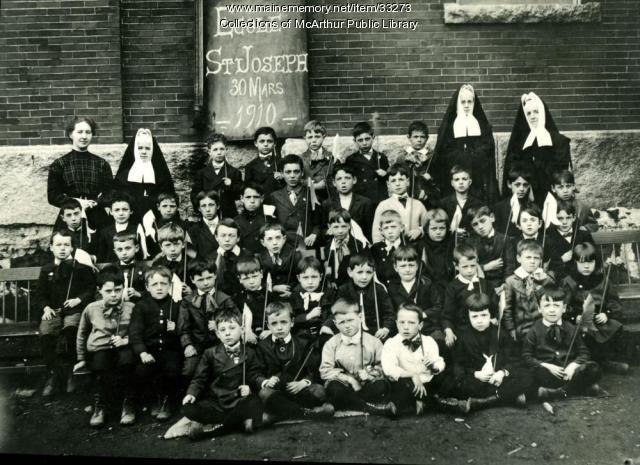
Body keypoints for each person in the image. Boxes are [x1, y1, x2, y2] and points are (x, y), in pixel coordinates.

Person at [182, 308, 266, 440]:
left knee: (254, 402)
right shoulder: (210, 353)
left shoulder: (249, 352)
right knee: (188, 409)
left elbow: (255, 375)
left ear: (242, 330)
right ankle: (236, 423)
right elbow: (200, 378)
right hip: (217, 401)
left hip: (238, 400)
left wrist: (249, 389)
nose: (227, 333)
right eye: (222, 330)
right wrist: (191, 393)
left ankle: (212, 429)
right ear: (217, 334)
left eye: (232, 328)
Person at [75, 266, 136, 427]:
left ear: (123, 288)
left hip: (123, 347)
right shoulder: (91, 309)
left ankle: (127, 404)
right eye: (109, 291)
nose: (114, 295)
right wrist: (81, 358)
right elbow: (82, 334)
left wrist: (126, 340)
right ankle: (99, 406)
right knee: (101, 365)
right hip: (100, 349)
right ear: (99, 290)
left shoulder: (131, 308)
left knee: (128, 361)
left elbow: (138, 332)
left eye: (118, 290)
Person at [38, 229, 97, 397]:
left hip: (75, 309)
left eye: (66, 245)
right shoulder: (47, 269)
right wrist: (46, 308)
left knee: (71, 329)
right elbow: (40, 294)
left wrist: (78, 299)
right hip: (54, 311)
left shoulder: (81, 268)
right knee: (47, 332)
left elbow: (90, 289)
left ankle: (71, 372)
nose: (62, 248)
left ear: (72, 248)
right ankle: (53, 374)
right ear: (51, 247)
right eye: (58, 245)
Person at [450, 293, 533, 411]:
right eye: (474, 316)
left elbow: (513, 360)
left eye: (484, 315)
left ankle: (485, 402)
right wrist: (476, 374)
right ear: (468, 316)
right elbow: (458, 365)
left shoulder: (501, 334)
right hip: (478, 380)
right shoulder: (463, 338)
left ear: (491, 315)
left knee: (526, 376)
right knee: (455, 383)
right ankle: (509, 397)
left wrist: (502, 373)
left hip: (499, 379)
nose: (479, 320)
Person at [522, 285, 605, 400]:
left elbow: (584, 353)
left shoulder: (571, 328)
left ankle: (561, 392)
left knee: (593, 368)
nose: (552, 310)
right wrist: (547, 366)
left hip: (570, 374)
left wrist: (572, 366)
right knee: (531, 373)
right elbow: (527, 356)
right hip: (548, 374)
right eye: (547, 306)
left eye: (556, 305)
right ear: (539, 309)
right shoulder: (534, 330)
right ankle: (581, 388)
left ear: (564, 308)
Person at [256, 301, 334, 421]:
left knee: (320, 391)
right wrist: (266, 381)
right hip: (277, 393)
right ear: (268, 325)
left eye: (283, 322)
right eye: (274, 323)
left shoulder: (303, 342)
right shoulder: (262, 346)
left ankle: (279, 414)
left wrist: (304, 382)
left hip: (299, 390)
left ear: (292, 322)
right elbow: (257, 373)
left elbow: (312, 370)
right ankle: (306, 413)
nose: (279, 327)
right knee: (264, 393)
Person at [319, 298, 397, 418]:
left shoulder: (374, 342)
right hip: (345, 387)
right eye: (342, 322)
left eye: (350, 320)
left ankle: (352, 405)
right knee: (335, 389)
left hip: (367, 386)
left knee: (381, 386)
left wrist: (370, 373)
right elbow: (325, 371)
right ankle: (373, 409)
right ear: (335, 323)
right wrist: (350, 380)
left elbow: (384, 367)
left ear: (360, 317)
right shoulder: (331, 343)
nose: (347, 326)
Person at [381, 303, 461, 416]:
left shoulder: (428, 341)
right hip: (408, 383)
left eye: (411, 323)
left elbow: (439, 361)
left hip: (428, 382)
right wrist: (412, 375)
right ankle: (436, 403)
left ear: (420, 325)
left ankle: (422, 403)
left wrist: (433, 366)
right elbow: (389, 368)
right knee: (400, 387)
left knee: (448, 379)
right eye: (401, 322)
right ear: (396, 323)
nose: (406, 327)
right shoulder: (391, 343)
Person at [562, 242, 629, 374]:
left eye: (590, 262)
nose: (587, 266)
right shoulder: (570, 281)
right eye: (582, 262)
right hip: (579, 319)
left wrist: (606, 314)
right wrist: (574, 317)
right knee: (584, 332)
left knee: (613, 327)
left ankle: (605, 362)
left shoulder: (602, 279)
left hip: (598, 318)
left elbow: (613, 301)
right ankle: (587, 363)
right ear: (575, 262)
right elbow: (564, 307)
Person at [129, 265, 182, 422]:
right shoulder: (141, 307)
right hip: (149, 350)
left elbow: (183, 330)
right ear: (147, 287)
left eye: (163, 284)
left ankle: (166, 401)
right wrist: (143, 352)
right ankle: (154, 399)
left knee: (171, 368)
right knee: (142, 370)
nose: (159, 288)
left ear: (170, 286)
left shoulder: (177, 306)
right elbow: (135, 333)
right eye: (154, 284)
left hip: (170, 349)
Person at [432, 84, 498, 206]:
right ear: (458, 103)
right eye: (463, 102)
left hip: (477, 173)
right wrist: (462, 156)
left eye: (469, 101)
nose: (467, 105)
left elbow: (487, 147)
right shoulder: (450, 126)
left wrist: (473, 155)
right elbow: (444, 150)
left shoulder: (481, 124)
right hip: (455, 174)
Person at [503, 92, 572, 206]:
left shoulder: (558, 141)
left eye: (536, 112)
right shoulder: (522, 143)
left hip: (552, 194)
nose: (533, 116)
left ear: (543, 112)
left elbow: (561, 172)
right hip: (528, 195)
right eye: (528, 113)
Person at [48, 116, 113, 230]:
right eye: (79, 132)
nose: (84, 136)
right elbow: (53, 196)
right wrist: (75, 202)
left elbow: (110, 193)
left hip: (97, 215)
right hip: (70, 215)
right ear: (70, 135)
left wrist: (95, 203)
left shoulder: (101, 164)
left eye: (88, 132)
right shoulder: (60, 164)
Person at [178, 259, 240, 379]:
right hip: (197, 345)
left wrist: (219, 323)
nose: (206, 283)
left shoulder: (224, 299)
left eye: (209, 278)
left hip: (220, 344)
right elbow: (183, 328)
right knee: (189, 371)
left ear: (215, 276)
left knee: (223, 370)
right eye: (200, 280)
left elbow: (237, 319)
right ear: (192, 280)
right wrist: (188, 345)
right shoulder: (188, 301)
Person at [114, 127, 175, 223]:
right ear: (134, 149)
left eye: (147, 148)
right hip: (130, 220)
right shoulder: (124, 175)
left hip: (156, 219)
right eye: (140, 148)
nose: (143, 152)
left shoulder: (160, 174)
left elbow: (168, 197)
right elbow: (119, 198)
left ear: (152, 150)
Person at [503, 240, 554, 348]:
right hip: (521, 329)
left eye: (536, 258)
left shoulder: (547, 280)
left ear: (540, 260)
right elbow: (508, 308)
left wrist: (541, 283)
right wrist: (511, 329)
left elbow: (550, 304)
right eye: (528, 257)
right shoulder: (511, 281)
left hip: (542, 328)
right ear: (518, 258)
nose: (532, 261)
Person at [442, 243, 495, 348]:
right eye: (465, 266)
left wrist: (493, 318)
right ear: (456, 265)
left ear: (477, 263)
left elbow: (493, 307)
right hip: (463, 331)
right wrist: (448, 330)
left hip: (485, 327)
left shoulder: (485, 284)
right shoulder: (452, 287)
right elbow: (447, 314)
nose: (470, 270)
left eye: (473, 266)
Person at [387, 246, 444, 345]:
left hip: (426, 327)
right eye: (403, 266)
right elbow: (390, 311)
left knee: (439, 339)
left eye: (411, 265)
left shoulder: (426, 283)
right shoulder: (392, 287)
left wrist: (422, 314)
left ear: (417, 266)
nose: (408, 269)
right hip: (402, 329)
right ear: (396, 267)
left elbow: (438, 306)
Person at [266, 154, 320, 249]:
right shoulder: (274, 196)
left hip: (307, 244)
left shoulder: (310, 194)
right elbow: (270, 224)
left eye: (296, 172)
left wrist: (314, 234)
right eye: (288, 172)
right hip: (284, 246)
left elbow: (318, 222)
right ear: (282, 173)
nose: (292, 176)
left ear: (302, 173)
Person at [336, 253, 395, 341]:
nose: (364, 277)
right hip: (352, 332)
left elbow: (389, 313)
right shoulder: (344, 290)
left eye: (369, 272)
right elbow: (338, 313)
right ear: (350, 272)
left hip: (376, 332)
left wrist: (385, 328)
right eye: (360, 272)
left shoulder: (379, 289)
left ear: (373, 272)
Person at [191, 133, 242, 220]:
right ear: (209, 152)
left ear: (226, 150)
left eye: (222, 149)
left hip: (228, 214)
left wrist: (231, 185)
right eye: (215, 150)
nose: (219, 152)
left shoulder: (234, 172)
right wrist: (201, 209)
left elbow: (239, 195)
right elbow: (195, 195)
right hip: (208, 215)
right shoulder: (201, 173)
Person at [371, 163, 427, 244]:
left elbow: (428, 225)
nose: (397, 184)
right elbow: (376, 233)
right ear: (388, 185)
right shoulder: (383, 205)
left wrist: (420, 231)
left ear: (408, 182)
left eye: (401, 179)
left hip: (415, 248)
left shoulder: (418, 204)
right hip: (393, 250)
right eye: (393, 181)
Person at [467, 206, 516, 293]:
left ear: (492, 218)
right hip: (479, 285)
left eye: (483, 221)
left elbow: (510, 265)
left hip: (501, 285)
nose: (480, 227)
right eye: (475, 224)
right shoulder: (470, 243)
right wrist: (485, 267)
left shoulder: (505, 239)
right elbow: (468, 266)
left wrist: (506, 284)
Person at [543, 200, 594, 282]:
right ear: (554, 219)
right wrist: (561, 259)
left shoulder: (584, 235)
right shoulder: (549, 239)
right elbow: (546, 265)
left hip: (582, 279)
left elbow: (593, 257)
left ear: (574, 218)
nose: (564, 222)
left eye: (568, 217)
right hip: (559, 282)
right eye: (560, 218)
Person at [321, 164, 374, 241]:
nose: (343, 182)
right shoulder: (327, 204)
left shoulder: (365, 202)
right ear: (334, 183)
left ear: (354, 180)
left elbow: (369, 231)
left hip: (359, 246)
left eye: (347, 178)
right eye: (339, 179)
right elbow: (323, 229)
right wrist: (328, 232)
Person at [289, 256, 336, 344]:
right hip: (301, 337)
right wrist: (308, 316)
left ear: (321, 277)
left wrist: (326, 325)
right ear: (299, 278)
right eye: (305, 277)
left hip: (323, 333)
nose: (310, 282)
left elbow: (333, 314)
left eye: (314, 277)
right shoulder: (295, 296)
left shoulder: (328, 294)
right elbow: (291, 319)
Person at [344, 121, 389, 205]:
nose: (364, 143)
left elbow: (389, 178)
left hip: (379, 200)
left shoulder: (382, 157)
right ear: (355, 141)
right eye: (360, 140)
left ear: (373, 137)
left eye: (367, 139)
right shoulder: (351, 160)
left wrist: (385, 174)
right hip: (361, 200)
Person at [433, 165, 483, 240]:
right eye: (457, 179)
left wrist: (468, 234)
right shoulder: (443, 204)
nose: (461, 182)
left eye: (464, 179)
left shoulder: (478, 204)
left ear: (470, 182)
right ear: (452, 183)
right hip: (448, 244)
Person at [94, 192, 145, 263]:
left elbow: (142, 254)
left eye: (125, 209)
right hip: (112, 270)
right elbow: (101, 256)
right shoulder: (105, 232)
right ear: (111, 212)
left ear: (131, 211)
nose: (121, 213)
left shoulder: (137, 229)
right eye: (117, 210)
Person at [322, 208, 368, 286]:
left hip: (353, 284)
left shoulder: (359, 245)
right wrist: (332, 281)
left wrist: (347, 257)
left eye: (343, 226)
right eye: (336, 227)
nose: (340, 231)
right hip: (335, 286)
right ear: (329, 226)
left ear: (349, 226)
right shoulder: (329, 246)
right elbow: (330, 268)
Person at [396, 121, 438, 204]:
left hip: (427, 199)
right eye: (415, 137)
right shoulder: (402, 158)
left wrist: (428, 190)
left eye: (422, 137)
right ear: (409, 137)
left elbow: (437, 180)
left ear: (427, 138)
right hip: (407, 198)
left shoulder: (432, 157)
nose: (419, 140)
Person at [258, 222, 301, 300]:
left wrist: (293, 293)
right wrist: (273, 288)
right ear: (263, 242)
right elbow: (258, 282)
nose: (275, 243)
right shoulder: (259, 258)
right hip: (269, 298)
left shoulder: (294, 255)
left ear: (284, 239)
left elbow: (301, 278)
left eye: (278, 237)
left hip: (292, 296)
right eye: (269, 239)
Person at [233, 256, 274, 339]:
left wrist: (271, 331)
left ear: (261, 274)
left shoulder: (271, 296)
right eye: (246, 278)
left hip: (268, 335)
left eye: (254, 276)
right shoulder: (238, 298)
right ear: (240, 279)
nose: (251, 282)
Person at [234, 182, 277, 255]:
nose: (252, 201)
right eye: (248, 197)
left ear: (262, 198)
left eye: (256, 197)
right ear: (242, 198)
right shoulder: (235, 221)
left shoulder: (269, 220)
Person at [493, 166, 534, 239]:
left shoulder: (532, 207)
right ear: (509, 184)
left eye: (525, 185)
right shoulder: (499, 207)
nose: (521, 189)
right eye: (517, 185)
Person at [422, 208, 455, 300]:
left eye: (442, 228)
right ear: (427, 230)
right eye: (434, 228)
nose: (438, 232)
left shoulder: (452, 244)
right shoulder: (421, 246)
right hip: (430, 290)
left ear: (447, 228)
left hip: (450, 287)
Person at [299, 120, 335, 203]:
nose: (314, 140)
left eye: (317, 136)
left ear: (323, 136)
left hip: (328, 199)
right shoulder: (300, 158)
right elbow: (297, 180)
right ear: (305, 138)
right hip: (307, 200)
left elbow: (335, 178)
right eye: (310, 137)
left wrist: (326, 183)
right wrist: (314, 186)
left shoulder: (332, 158)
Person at [370, 209, 406, 288]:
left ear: (401, 228)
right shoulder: (375, 249)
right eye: (386, 228)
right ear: (381, 231)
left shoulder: (407, 248)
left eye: (393, 227)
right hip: (383, 292)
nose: (390, 231)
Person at [212, 219, 248, 297]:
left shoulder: (247, 256)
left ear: (238, 238)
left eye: (231, 235)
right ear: (216, 237)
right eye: (223, 235)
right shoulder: (209, 258)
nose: (227, 240)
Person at [244, 126, 284, 197]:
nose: (266, 144)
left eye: (269, 141)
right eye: (262, 141)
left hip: (278, 202)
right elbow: (247, 190)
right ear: (256, 143)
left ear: (275, 143)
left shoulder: (281, 162)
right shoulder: (250, 166)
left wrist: (283, 176)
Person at [142, 192, 185, 258]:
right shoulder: (153, 227)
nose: (168, 210)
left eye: (172, 206)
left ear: (177, 207)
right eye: (164, 206)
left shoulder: (183, 225)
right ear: (158, 207)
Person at [110, 231, 147, 303]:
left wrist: (139, 294)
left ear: (136, 248)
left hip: (138, 305)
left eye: (127, 248)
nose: (124, 253)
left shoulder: (145, 269)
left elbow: (152, 290)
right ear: (115, 252)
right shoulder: (110, 269)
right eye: (120, 250)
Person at [187, 190, 220, 262]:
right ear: (199, 208)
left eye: (211, 205)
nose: (208, 209)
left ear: (218, 206)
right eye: (203, 206)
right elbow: (194, 257)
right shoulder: (193, 230)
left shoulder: (228, 226)